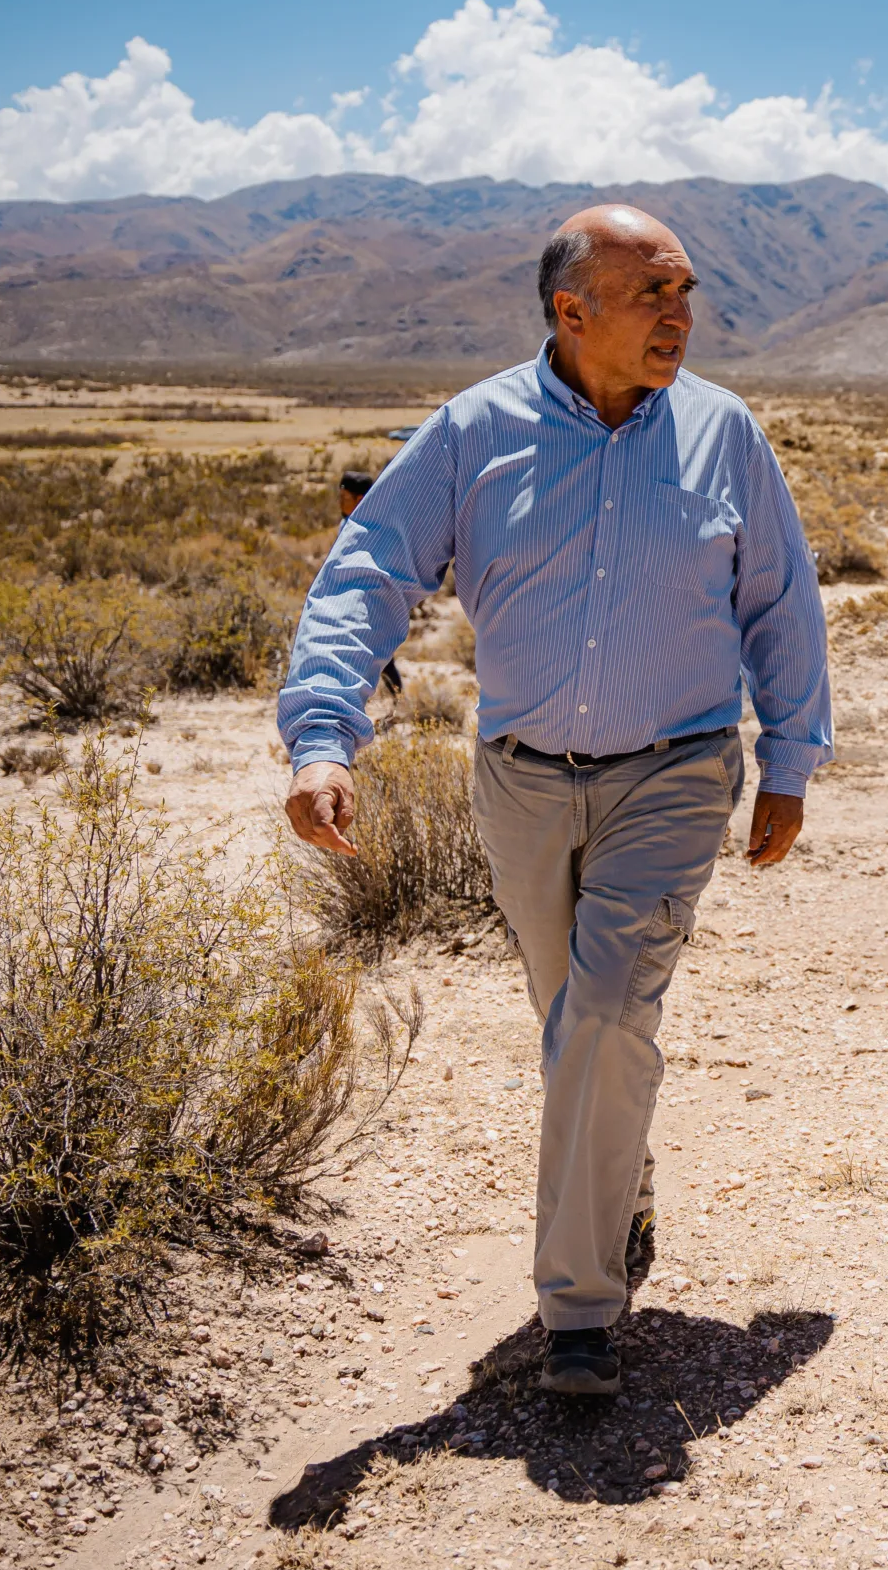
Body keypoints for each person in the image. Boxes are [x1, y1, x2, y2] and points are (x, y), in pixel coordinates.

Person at [280, 205, 832, 1396]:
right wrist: (324, 735)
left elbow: (781, 600)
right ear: (571, 312)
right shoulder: (475, 433)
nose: (681, 318)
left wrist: (789, 757)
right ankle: (618, 1185)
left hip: (675, 772)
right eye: (654, 297)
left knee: (600, 1012)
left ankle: (577, 1313)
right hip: (519, 782)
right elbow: (367, 573)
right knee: (577, 1023)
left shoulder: (723, 432)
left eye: (688, 295)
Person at [335, 472, 404, 697]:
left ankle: (398, 703)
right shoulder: (346, 524)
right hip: (348, 600)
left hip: (372, 601)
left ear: (360, 498)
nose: (340, 502)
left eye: (345, 497)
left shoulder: (374, 528)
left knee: (382, 655)